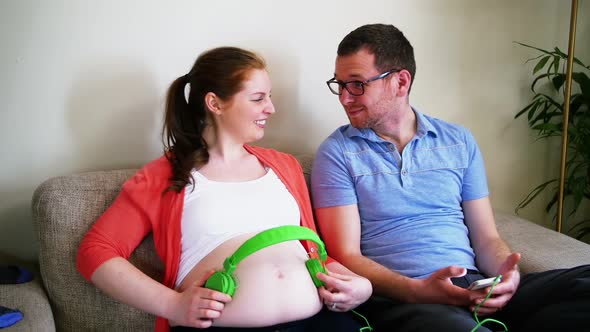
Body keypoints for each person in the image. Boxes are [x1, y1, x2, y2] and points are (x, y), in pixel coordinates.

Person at [311, 23, 590, 332]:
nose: (345, 98)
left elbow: (486, 237)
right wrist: (418, 291)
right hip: (406, 299)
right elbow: (345, 254)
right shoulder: (337, 153)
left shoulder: (458, 141)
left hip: (472, 284)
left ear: (400, 82)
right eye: (340, 84)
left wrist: (506, 276)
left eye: (357, 84)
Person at [77, 46, 372, 332]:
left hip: (317, 322)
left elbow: (310, 253)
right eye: (258, 98)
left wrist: (358, 284)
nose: (271, 108)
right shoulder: (165, 176)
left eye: (269, 97)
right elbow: (95, 252)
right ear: (215, 104)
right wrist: (173, 305)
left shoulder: (286, 167)